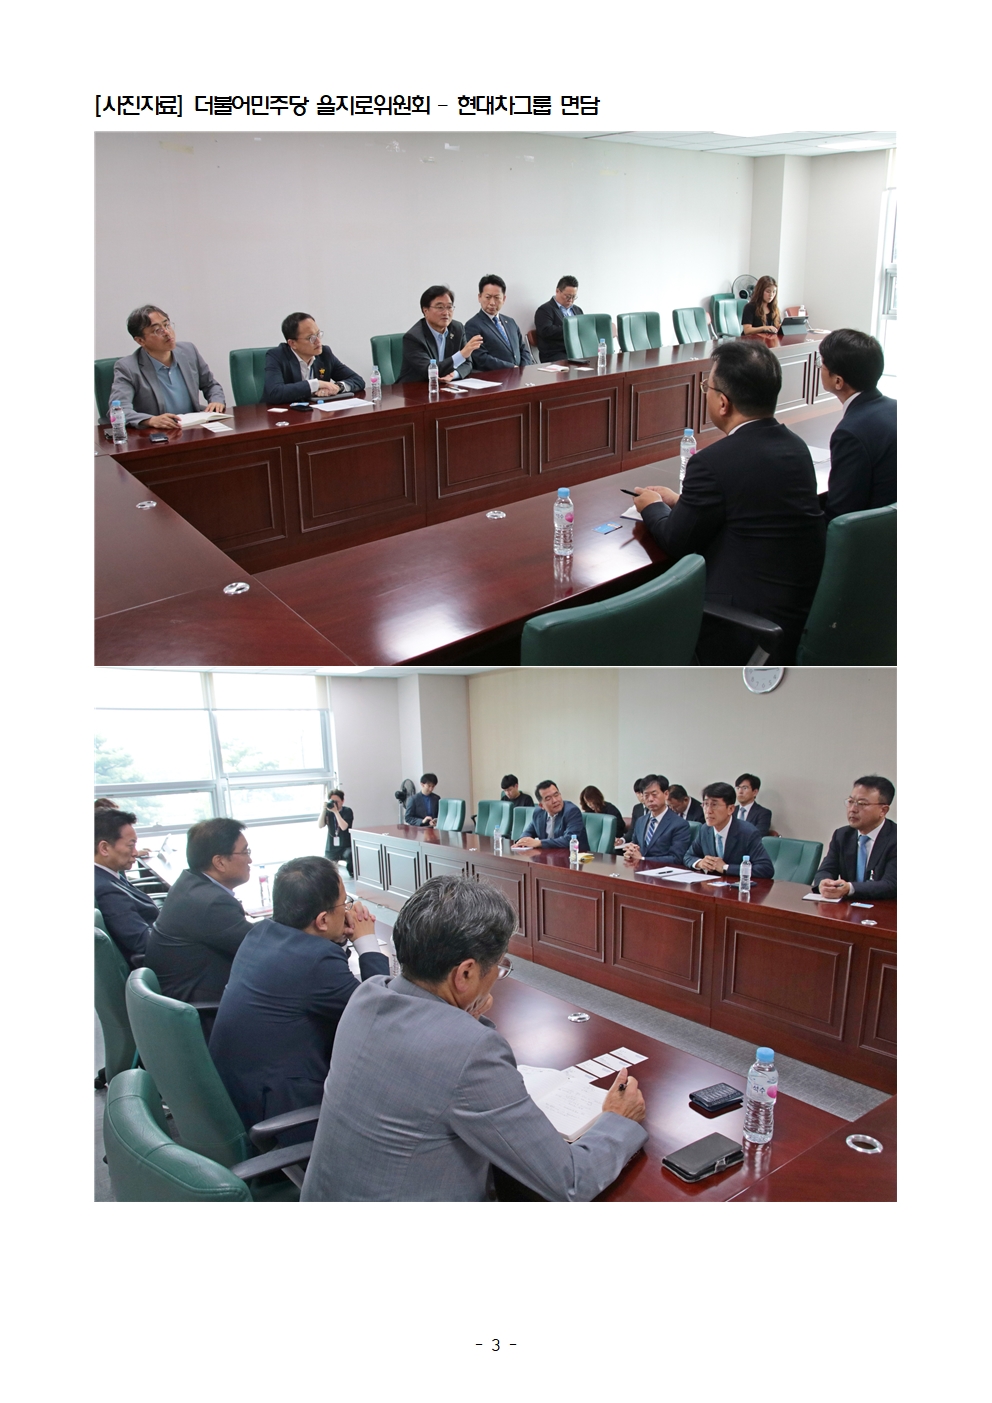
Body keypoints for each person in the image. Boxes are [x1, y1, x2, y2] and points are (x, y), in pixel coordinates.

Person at [300, 876, 647, 1201]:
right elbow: (570, 1182)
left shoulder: (368, 994)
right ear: (465, 972)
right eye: (499, 964)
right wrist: (618, 1118)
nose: (498, 974)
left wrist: (464, 1018)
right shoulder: (470, 1050)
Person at [632, 340, 826, 663]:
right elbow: (748, 505)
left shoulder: (712, 462)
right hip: (796, 612)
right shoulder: (795, 447)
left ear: (723, 403)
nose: (705, 392)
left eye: (707, 387)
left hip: (742, 627)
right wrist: (680, 501)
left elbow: (677, 540)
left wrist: (652, 506)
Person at [208, 856, 389, 1135]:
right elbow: (381, 1015)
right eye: (344, 904)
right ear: (322, 920)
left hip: (236, 1094)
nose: (348, 911)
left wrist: (337, 937)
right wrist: (367, 943)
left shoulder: (260, 933)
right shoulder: (316, 961)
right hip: (281, 1110)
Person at [144, 819, 253, 1005]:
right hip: (201, 1006)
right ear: (219, 862)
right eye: (245, 852)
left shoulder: (189, 883)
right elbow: (261, 948)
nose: (250, 860)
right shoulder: (212, 902)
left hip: (182, 994)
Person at [817, 329, 897, 519]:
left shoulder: (850, 432)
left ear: (838, 381)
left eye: (822, 364)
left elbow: (841, 511)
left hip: (870, 531)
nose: (819, 368)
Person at [109, 305, 226, 428]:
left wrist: (216, 400)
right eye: (157, 330)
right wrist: (150, 420)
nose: (166, 332)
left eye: (167, 325)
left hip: (193, 427)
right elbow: (118, 409)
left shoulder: (188, 351)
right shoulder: (127, 367)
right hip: (159, 433)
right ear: (140, 340)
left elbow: (211, 385)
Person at [811, 776, 896, 900]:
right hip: (848, 907)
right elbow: (826, 870)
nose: (853, 809)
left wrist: (850, 888)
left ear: (883, 810)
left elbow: (891, 884)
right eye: (850, 802)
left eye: (862, 804)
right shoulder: (842, 835)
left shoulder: (896, 838)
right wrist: (824, 883)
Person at [94, 808, 157, 966]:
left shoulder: (107, 875)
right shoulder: (105, 889)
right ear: (104, 848)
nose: (135, 852)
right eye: (131, 845)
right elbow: (144, 941)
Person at [263, 314, 365, 403]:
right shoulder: (277, 356)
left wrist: (338, 387)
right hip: (283, 415)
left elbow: (358, 380)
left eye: (318, 334)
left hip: (316, 413)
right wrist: (316, 384)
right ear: (292, 343)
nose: (318, 341)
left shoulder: (324, 354)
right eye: (310, 338)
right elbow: (275, 392)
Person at [684, 783, 774, 878]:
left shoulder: (748, 832)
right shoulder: (705, 829)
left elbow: (766, 869)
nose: (708, 811)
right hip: (711, 884)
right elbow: (688, 856)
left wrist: (726, 867)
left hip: (737, 885)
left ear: (730, 809)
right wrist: (700, 863)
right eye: (706, 804)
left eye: (714, 805)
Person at [397, 285, 483, 384]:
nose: (446, 313)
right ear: (425, 311)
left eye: (449, 307)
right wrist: (461, 354)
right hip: (416, 388)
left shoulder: (457, 328)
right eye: (440, 307)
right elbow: (429, 371)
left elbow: (467, 363)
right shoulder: (413, 337)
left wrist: (454, 375)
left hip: (445, 386)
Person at [463, 275, 534, 370]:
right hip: (494, 376)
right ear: (479, 297)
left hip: (519, 375)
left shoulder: (510, 322)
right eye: (488, 297)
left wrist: (523, 369)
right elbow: (481, 358)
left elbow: (523, 349)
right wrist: (512, 368)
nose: (492, 302)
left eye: (497, 297)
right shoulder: (473, 325)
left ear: (504, 299)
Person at [622, 776, 691, 866]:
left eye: (654, 794)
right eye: (646, 795)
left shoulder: (680, 824)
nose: (650, 799)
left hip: (664, 872)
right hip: (639, 870)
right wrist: (630, 852)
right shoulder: (640, 821)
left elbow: (676, 858)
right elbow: (635, 845)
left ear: (666, 794)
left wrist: (643, 859)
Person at [514, 781, 586, 849]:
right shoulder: (538, 813)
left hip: (573, 855)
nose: (555, 800)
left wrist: (540, 843)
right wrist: (523, 841)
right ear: (541, 805)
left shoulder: (571, 811)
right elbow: (528, 831)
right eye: (548, 798)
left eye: (556, 795)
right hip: (548, 855)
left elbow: (569, 840)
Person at [534, 277, 583, 362]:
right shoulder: (545, 310)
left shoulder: (577, 310)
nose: (570, 300)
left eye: (573, 297)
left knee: (597, 358)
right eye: (567, 296)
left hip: (577, 351)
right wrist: (571, 329)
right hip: (555, 353)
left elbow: (582, 329)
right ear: (557, 291)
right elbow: (546, 331)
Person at [319, 788, 354, 877]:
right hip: (332, 846)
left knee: (350, 854)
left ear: (342, 801)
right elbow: (320, 825)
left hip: (345, 846)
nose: (334, 804)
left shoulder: (347, 811)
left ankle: (352, 873)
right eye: (332, 801)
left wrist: (336, 812)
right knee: (327, 871)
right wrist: (324, 810)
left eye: (337, 801)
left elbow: (344, 827)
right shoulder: (328, 812)